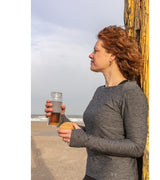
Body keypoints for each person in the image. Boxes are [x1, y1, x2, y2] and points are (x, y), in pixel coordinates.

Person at [45, 25, 148, 180]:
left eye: (96, 51)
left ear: (112, 55)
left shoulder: (130, 92)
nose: (90, 55)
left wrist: (85, 140)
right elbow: (97, 134)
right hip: (92, 174)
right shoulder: (100, 91)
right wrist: (61, 119)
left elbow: (136, 147)